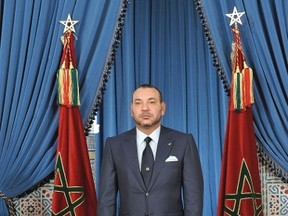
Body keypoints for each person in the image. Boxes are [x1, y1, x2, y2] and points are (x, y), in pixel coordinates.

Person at [97, 84, 203, 216]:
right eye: (138, 103)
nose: (145, 108)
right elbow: (106, 201)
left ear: (162, 108)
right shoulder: (114, 145)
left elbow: (193, 199)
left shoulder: (184, 142)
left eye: (151, 102)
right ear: (131, 110)